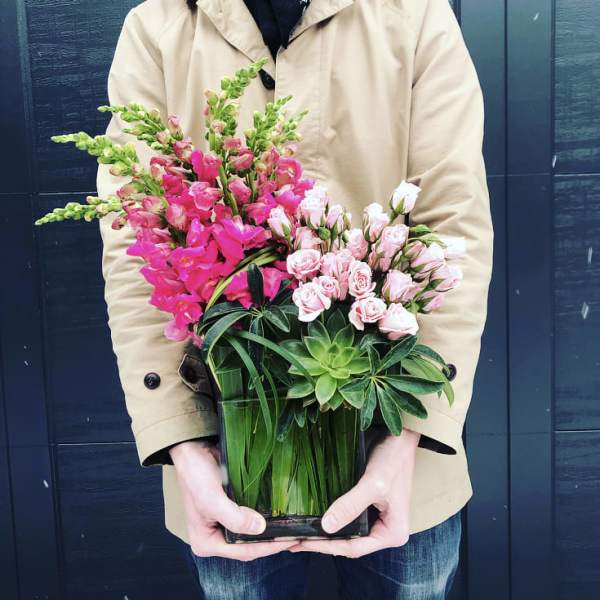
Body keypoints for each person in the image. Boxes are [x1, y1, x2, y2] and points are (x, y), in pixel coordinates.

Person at [96, 0, 494, 598]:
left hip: (398, 442)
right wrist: (183, 442)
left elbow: (453, 228)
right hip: (227, 451)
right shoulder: (158, 27)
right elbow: (138, 243)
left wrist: (411, 433)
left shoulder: (413, 15)